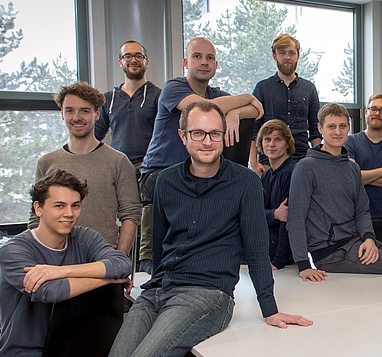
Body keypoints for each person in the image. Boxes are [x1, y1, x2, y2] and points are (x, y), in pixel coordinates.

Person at [109, 101, 311, 357]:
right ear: (183, 136)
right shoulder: (166, 182)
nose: (207, 141)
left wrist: (269, 308)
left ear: (224, 136)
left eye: (215, 134)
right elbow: (159, 244)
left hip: (207, 295)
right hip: (158, 291)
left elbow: (258, 249)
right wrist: (154, 285)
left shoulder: (245, 183)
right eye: (198, 133)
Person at [136, 37, 264, 273]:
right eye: (197, 57)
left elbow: (258, 110)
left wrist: (235, 112)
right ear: (186, 61)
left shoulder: (218, 94)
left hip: (195, 173)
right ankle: (157, 267)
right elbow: (202, 109)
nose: (204, 62)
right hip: (158, 174)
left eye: (210, 58)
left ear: (216, 65)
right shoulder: (173, 88)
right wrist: (245, 98)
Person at [0, 170, 132, 356]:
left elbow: (122, 264)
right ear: (38, 208)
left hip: (75, 347)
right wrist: (109, 280)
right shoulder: (13, 250)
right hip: (25, 352)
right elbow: (50, 291)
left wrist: (61, 271)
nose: (69, 214)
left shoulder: (86, 237)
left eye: (75, 206)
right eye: (59, 206)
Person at [287, 103, 382, 283]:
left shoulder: (352, 168)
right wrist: (303, 265)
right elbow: (296, 217)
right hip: (332, 253)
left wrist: (369, 238)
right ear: (320, 129)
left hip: (356, 243)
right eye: (331, 126)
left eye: (342, 126)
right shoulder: (306, 168)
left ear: (349, 128)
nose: (338, 132)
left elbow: (362, 210)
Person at [32, 81, 140, 255]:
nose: (77, 117)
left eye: (84, 110)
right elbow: (36, 217)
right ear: (62, 114)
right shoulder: (46, 163)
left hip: (102, 259)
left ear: (97, 114)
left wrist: (118, 260)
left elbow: (131, 214)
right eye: (70, 110)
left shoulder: (118, 162)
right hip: (55, 261)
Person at [94, 40, 161, 274]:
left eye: (139, 56)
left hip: (149, 168)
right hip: (119, 168)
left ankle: (145, 269)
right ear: (120, 61)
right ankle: (121, 270)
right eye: (128, 56)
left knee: (146, 220)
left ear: (146, 62)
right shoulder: (108, 99)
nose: (133, 60)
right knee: (124, 221)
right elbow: (96, 135)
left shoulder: (158, 96)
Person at [250, 33, 321, 176]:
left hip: (302, 160)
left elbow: (315, 130)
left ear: (298, 56)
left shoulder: (309, 88)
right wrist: (253, 163)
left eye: (291, 53)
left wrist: (318, 161)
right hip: (268, 162)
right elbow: (254, 130)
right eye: (282, 53)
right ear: (274, 56)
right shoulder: (262, 88)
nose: (287, 57)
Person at [344, 94, 382, 253]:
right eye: (373, 109)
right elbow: (351, 178)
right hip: (357, 217)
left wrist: (363, 176)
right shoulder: (351, 142)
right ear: (365, 112)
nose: (377, 113)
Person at [257, 119, 296, 270]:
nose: (271, 144)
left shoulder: (292, 173)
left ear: (287, 144)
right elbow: (257, 214)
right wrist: (274, 214)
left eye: (278, 139)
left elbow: (288, 221)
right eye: (267, 139)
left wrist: (278, 262)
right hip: (267, 243)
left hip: (282, 252)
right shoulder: (267, 175)